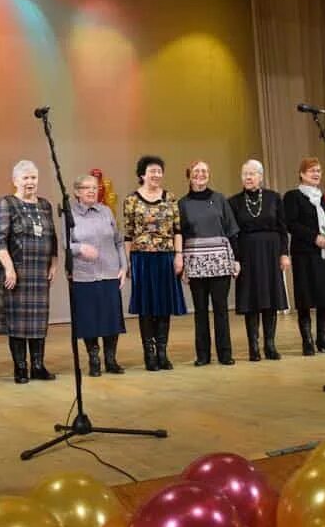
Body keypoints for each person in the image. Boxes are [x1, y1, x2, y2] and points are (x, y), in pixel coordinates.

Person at [0, 160, 59, 383]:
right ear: (15, 181)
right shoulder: (7, 203)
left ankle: (38, 366)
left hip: (40, 273)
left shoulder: (45, 205)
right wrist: (9, 268)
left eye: (33, 177)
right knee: (18, 322)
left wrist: (54, 262)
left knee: (39, 320)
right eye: (25, 178)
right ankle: (21, 368)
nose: (30, 182)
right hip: (17, 273)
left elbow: (52, 237)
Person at [123, 155, 186, 371]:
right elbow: (128, 234)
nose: (156, 175)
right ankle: (149, 353)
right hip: (141, 258)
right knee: (146, 307)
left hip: (165, 257)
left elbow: (178, 230)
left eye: (159, 171)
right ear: (142, 174)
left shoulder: (170, 198)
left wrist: (179, 255)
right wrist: (128, 261)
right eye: (152, 171)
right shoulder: (131, 200)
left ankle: (162, 351)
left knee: (164, 305)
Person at [179, 161, 240, 366]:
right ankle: (203, 355)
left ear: (209, 175)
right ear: (189, 176)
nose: (200, 174)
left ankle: (225, 354)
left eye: (204, 171)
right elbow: (179, 235)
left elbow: (232, 231)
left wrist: (236, 260)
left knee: (221, 309)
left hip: (220, 260)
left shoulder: (220, 199)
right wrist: (183, 266)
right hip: (195, 261)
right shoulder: (183, 204)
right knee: (200, 310)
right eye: (196, 171)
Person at [228, 160, 287, 361]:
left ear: (261, 176)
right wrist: (235, 258)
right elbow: (232, 234)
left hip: (271, 252)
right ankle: (253, 346)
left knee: (270, 298)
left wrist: (284, 253)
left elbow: (282, 228)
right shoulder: (233, 202)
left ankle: (270, 344)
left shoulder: (273, 197)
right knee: (250, 299)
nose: (248, 177)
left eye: (252, 174)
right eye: (245, 174)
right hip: (246, 253)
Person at [68, 174, 127, 376]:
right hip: (84, 274)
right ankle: (94, 359)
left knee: (111, 319)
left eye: (94, 187)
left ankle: (111, 360)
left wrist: (124, 267)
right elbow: (65, 244)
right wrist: (80, 248)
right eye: (86, 188)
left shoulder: (106, 211)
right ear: (77, 192)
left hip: (110, 272)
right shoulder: (70, 214)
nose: (92, 191)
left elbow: (119, 241)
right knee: (89, 319)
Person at [283, 157, 325, 355]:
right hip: (304, 253)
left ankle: (323, 338)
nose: (316, 174)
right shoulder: (293, 196)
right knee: (305, 297)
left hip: (324, 254)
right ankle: (307, 340)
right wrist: (314, 237)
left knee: (324, 296)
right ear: (302, 173)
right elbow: (291, 224)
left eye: (318, 170)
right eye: (311, 170)